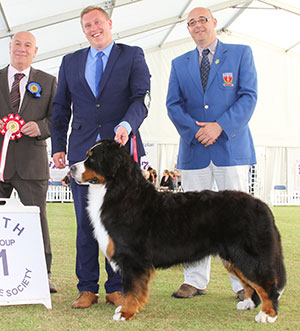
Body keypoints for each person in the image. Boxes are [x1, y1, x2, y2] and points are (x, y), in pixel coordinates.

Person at [51, 5, 151, 309]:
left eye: (97, 22)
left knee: (119, 225)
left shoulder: (132, 54)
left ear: (109, 23)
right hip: (82, 154)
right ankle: (87, 288)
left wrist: (126, 124)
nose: (93, 28)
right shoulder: (70, 61)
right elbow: (60, 109)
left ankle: (117, 287)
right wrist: (58, 147)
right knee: (85, 224)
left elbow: (141, 98)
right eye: (86, 25)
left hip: (118, 156)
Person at [166, 7, 257, 300]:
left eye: (202, 20)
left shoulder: (241, 53)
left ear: (215, 23)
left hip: (231, 147)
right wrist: (196, 131)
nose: (197, 25)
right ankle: (194, 280)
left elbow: (248, 96)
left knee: (238, 218)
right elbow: (173, 104)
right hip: (194, 151)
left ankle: (245, 281)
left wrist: (220, 127)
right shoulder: (179, 63)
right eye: (190, 22)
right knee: (192, 218)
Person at [0, 31, 57, 293]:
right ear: (9, 47)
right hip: (0, 164)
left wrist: (40, 127)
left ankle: (43, 275)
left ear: (35, 51)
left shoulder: (48, 81)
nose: (22, 49)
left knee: (37, 219)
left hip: (32, 164)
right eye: (17, 44)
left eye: (28, 45)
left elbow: (57, 119)